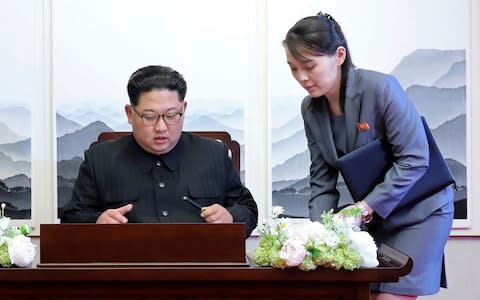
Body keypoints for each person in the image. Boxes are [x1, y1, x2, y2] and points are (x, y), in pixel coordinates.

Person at [283, 12, 454, 299]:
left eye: (309, 66)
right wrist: (317, 235)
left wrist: (364, 207)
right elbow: (321, 180)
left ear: (339, 55)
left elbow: (415, 159)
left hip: (421, 213)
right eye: (293, 68)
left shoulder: (382, 88)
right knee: (359, 294)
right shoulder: (309, 109)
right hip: (377, 218)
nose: (302, 77)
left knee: (388, 297)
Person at [61, 65, 258, 238]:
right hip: (126, 272)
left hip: (200, 271)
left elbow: (248, 208)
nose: (161, 127)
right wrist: (97, 221)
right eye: (149, 117)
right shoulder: (100, 159)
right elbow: (72, 218)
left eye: (171, 115)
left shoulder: (214, 154)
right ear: (130, 113)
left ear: (184, 108)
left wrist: (231, 216)